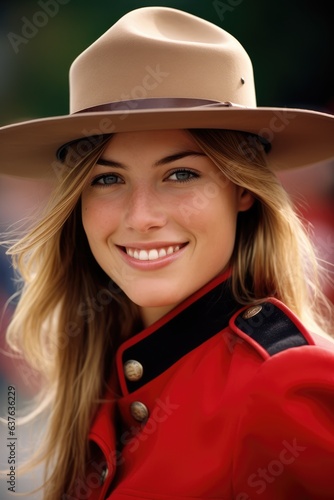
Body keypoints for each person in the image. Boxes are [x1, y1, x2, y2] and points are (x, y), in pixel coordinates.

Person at [1, 6, 334, 500]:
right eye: (107, 179)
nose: (140, 216)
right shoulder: (102, 383)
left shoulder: (288, 385)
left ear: (243, 191)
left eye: (181, 174)